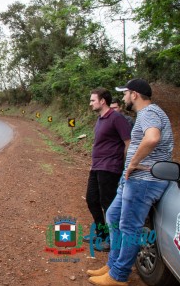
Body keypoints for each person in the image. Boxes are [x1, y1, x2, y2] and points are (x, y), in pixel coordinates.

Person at [87, 79, 174, 286]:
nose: (123, 97)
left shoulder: (150, 113)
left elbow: (152, 138)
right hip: (133, 179)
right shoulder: (145, 114)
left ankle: (119, 275)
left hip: (144, 181)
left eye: (125, 93)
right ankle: (112, 264)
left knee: (129, 226)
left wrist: (133, 162)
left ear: (134, 94)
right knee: (113, 215)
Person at [85, 88, 131, 252]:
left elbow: (128, 143)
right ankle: (102, 234)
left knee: (108, 204)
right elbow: (99, 144)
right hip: (97, 167)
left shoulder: (116, 118)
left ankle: (113, 241)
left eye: (92, 100)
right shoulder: (100, 119)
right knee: (92, 200)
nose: (90, 103)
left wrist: (127, 166)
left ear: (102, 101)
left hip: (110, 168)